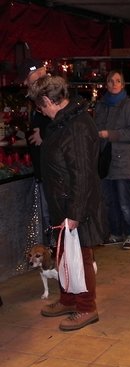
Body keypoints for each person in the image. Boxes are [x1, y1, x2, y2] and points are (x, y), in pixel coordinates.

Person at [27, 75, 105, 331]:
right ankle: (69, 299)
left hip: (76, 204)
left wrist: (75, 213)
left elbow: (83, 173)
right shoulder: (63, 122)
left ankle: (86, 307)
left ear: (50, 100)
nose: (41, 111)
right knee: (63, 255)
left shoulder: (78, 126)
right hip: (63, 203)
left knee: (81, 256)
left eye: (41, 106)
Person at [94, 70, 130, 249]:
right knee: (110, 201)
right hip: (104, 161)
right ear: (106, 84)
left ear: (123, 84)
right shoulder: (101, 106)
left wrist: (110, 134)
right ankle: (116, 233)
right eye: (111, 81)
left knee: (124, 201)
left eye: (118, 81)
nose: (114, 84)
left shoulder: (129, 106)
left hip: (122, 161)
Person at [18, 58, 52, 244]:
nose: (24, 83)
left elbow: (65, 126)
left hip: (52, 170)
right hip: (42, 167)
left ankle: (57, 252)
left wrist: (44, 136)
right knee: (47, 215)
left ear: (38, 73)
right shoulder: (37, 97)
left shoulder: (53, 94)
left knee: (52, 215)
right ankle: (53, 252)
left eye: (26, 77)